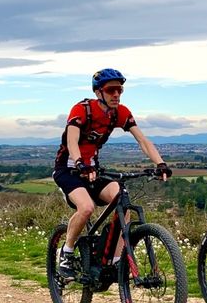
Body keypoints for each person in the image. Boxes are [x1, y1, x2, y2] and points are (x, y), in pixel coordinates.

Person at [52, 68, 171, 276]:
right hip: (68, 170)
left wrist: (160, 163)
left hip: (92, 170)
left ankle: (116, 260)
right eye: (111, 90)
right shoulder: (82, 110)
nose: (116, 94)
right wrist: (80, 162)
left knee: (121, 199)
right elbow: (72, 140)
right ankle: (66, 251)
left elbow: (142, 140)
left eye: (120, 90)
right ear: (99, 92)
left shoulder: (120, 112)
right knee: (86, 207)